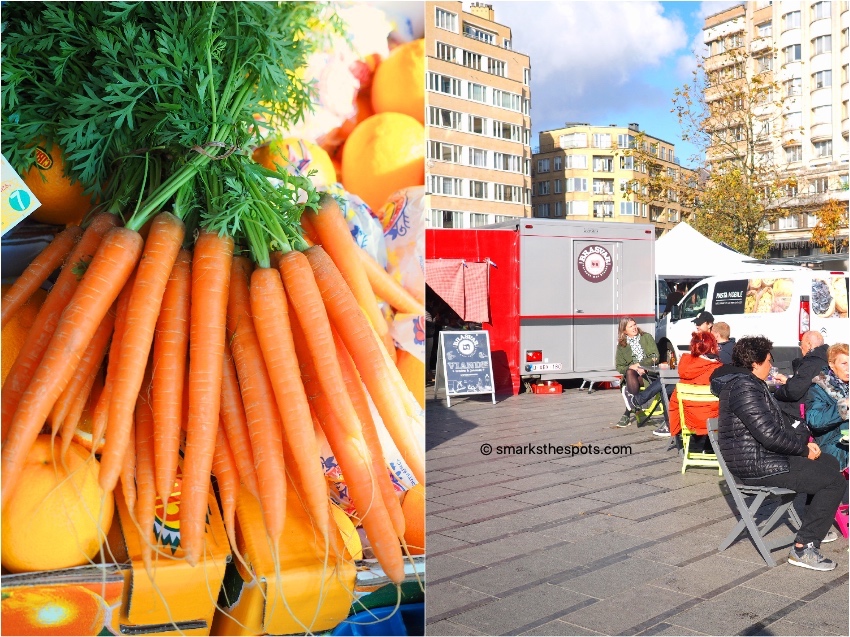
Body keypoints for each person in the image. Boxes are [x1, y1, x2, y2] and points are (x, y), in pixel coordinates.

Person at [710, 336, 845, 571]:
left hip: (764, 457)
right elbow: (769, 435)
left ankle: (813, 525)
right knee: (833, 482)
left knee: (830, 461)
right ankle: (804, 547)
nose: (771, 365)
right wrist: (803, 450)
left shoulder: (749, 383)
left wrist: (806, 447)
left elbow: (774, 430)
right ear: (755, 362)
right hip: (756, 464)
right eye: (769, 360)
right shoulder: (744, 388)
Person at [667, 331, 722, 449]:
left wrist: (676, 428)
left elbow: (674, 403)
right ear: (712, 347)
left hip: (689, 421)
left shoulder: (685, 368)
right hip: (714, 422)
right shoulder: (719, 370)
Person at [806, 343, 849, 471]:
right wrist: (843, 406)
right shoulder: (819, 388)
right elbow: (815, 421)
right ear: (832, 365)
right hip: (835, 447)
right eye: (844, 363)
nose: (849, 368)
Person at [774, 330, 828, 430]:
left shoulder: (811, 363)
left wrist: (777, 392)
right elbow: (804, 382)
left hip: (807, 411)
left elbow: (794, 391)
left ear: (809, 344)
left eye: (801, 343)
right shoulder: (825, 358)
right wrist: (788, 381)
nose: (800, 347)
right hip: (820, 407)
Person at [615, 317, 664, 428]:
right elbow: (619, 366)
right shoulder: (622, 345)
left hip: (647, 374)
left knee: (630, 374)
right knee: (629, 372)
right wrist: (632, 367)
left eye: (634, 324)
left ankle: (629, 411)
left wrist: (641, 365)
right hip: (632, 377)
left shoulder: (646, 337)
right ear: (624, 331)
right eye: (630, 326)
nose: (634, 328)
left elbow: (655, 356)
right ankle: (636, 405)